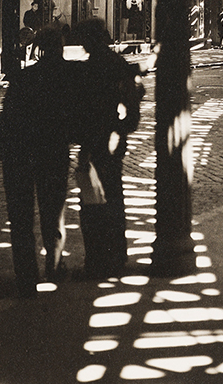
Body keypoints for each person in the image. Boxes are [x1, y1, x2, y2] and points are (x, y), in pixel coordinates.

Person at [0, 26, 72, 298]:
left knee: (21, 218)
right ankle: (53, 266)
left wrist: (3, 149)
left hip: (19, 153)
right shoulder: (68, 77)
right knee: (53, 211)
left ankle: (26, 277)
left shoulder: (25, 77)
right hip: (53, 152)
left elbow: (7, 117)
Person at [67, 18, 145, 278]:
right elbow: (132, 113)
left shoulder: (84, 71)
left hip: (91, 144)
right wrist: (120, 129)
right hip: (113, 142)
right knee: (113, 198)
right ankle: (116, 255)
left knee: (91, 203)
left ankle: (96, 259)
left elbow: (75, 111)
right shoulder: (119, 66)